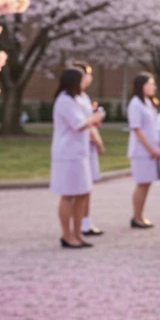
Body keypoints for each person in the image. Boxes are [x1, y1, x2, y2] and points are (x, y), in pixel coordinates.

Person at [50, 66, 103, 248]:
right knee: (68, 194)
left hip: (81, 152)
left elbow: (87, 121)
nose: (86, 81)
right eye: (82, 78)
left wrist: (95, 120)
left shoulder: (80, 98)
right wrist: (94, 116)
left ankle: (78, 233)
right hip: (67, 153)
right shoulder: (64, 100)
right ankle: (67, 234)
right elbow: (78, 124)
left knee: (82, 193)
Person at [69, 61, 105, 238]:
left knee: (86, 187)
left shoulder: (83, 97)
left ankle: (84, 221)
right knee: (79, 188)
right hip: (76, 149)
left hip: (85, 147)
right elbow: (84, 123)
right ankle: (78, 223)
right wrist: (97, 140)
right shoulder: (70, 99)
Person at [126, 73, 160, 229]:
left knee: (146, 184)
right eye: (150, 84)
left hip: (150, 149)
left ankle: (140, 214)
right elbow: (137, 129)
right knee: (142, 183)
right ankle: (136, 216)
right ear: (142, 86)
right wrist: (150, 148)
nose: (153, 87)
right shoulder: (135, 104)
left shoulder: (149, 102)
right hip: (141, 151)